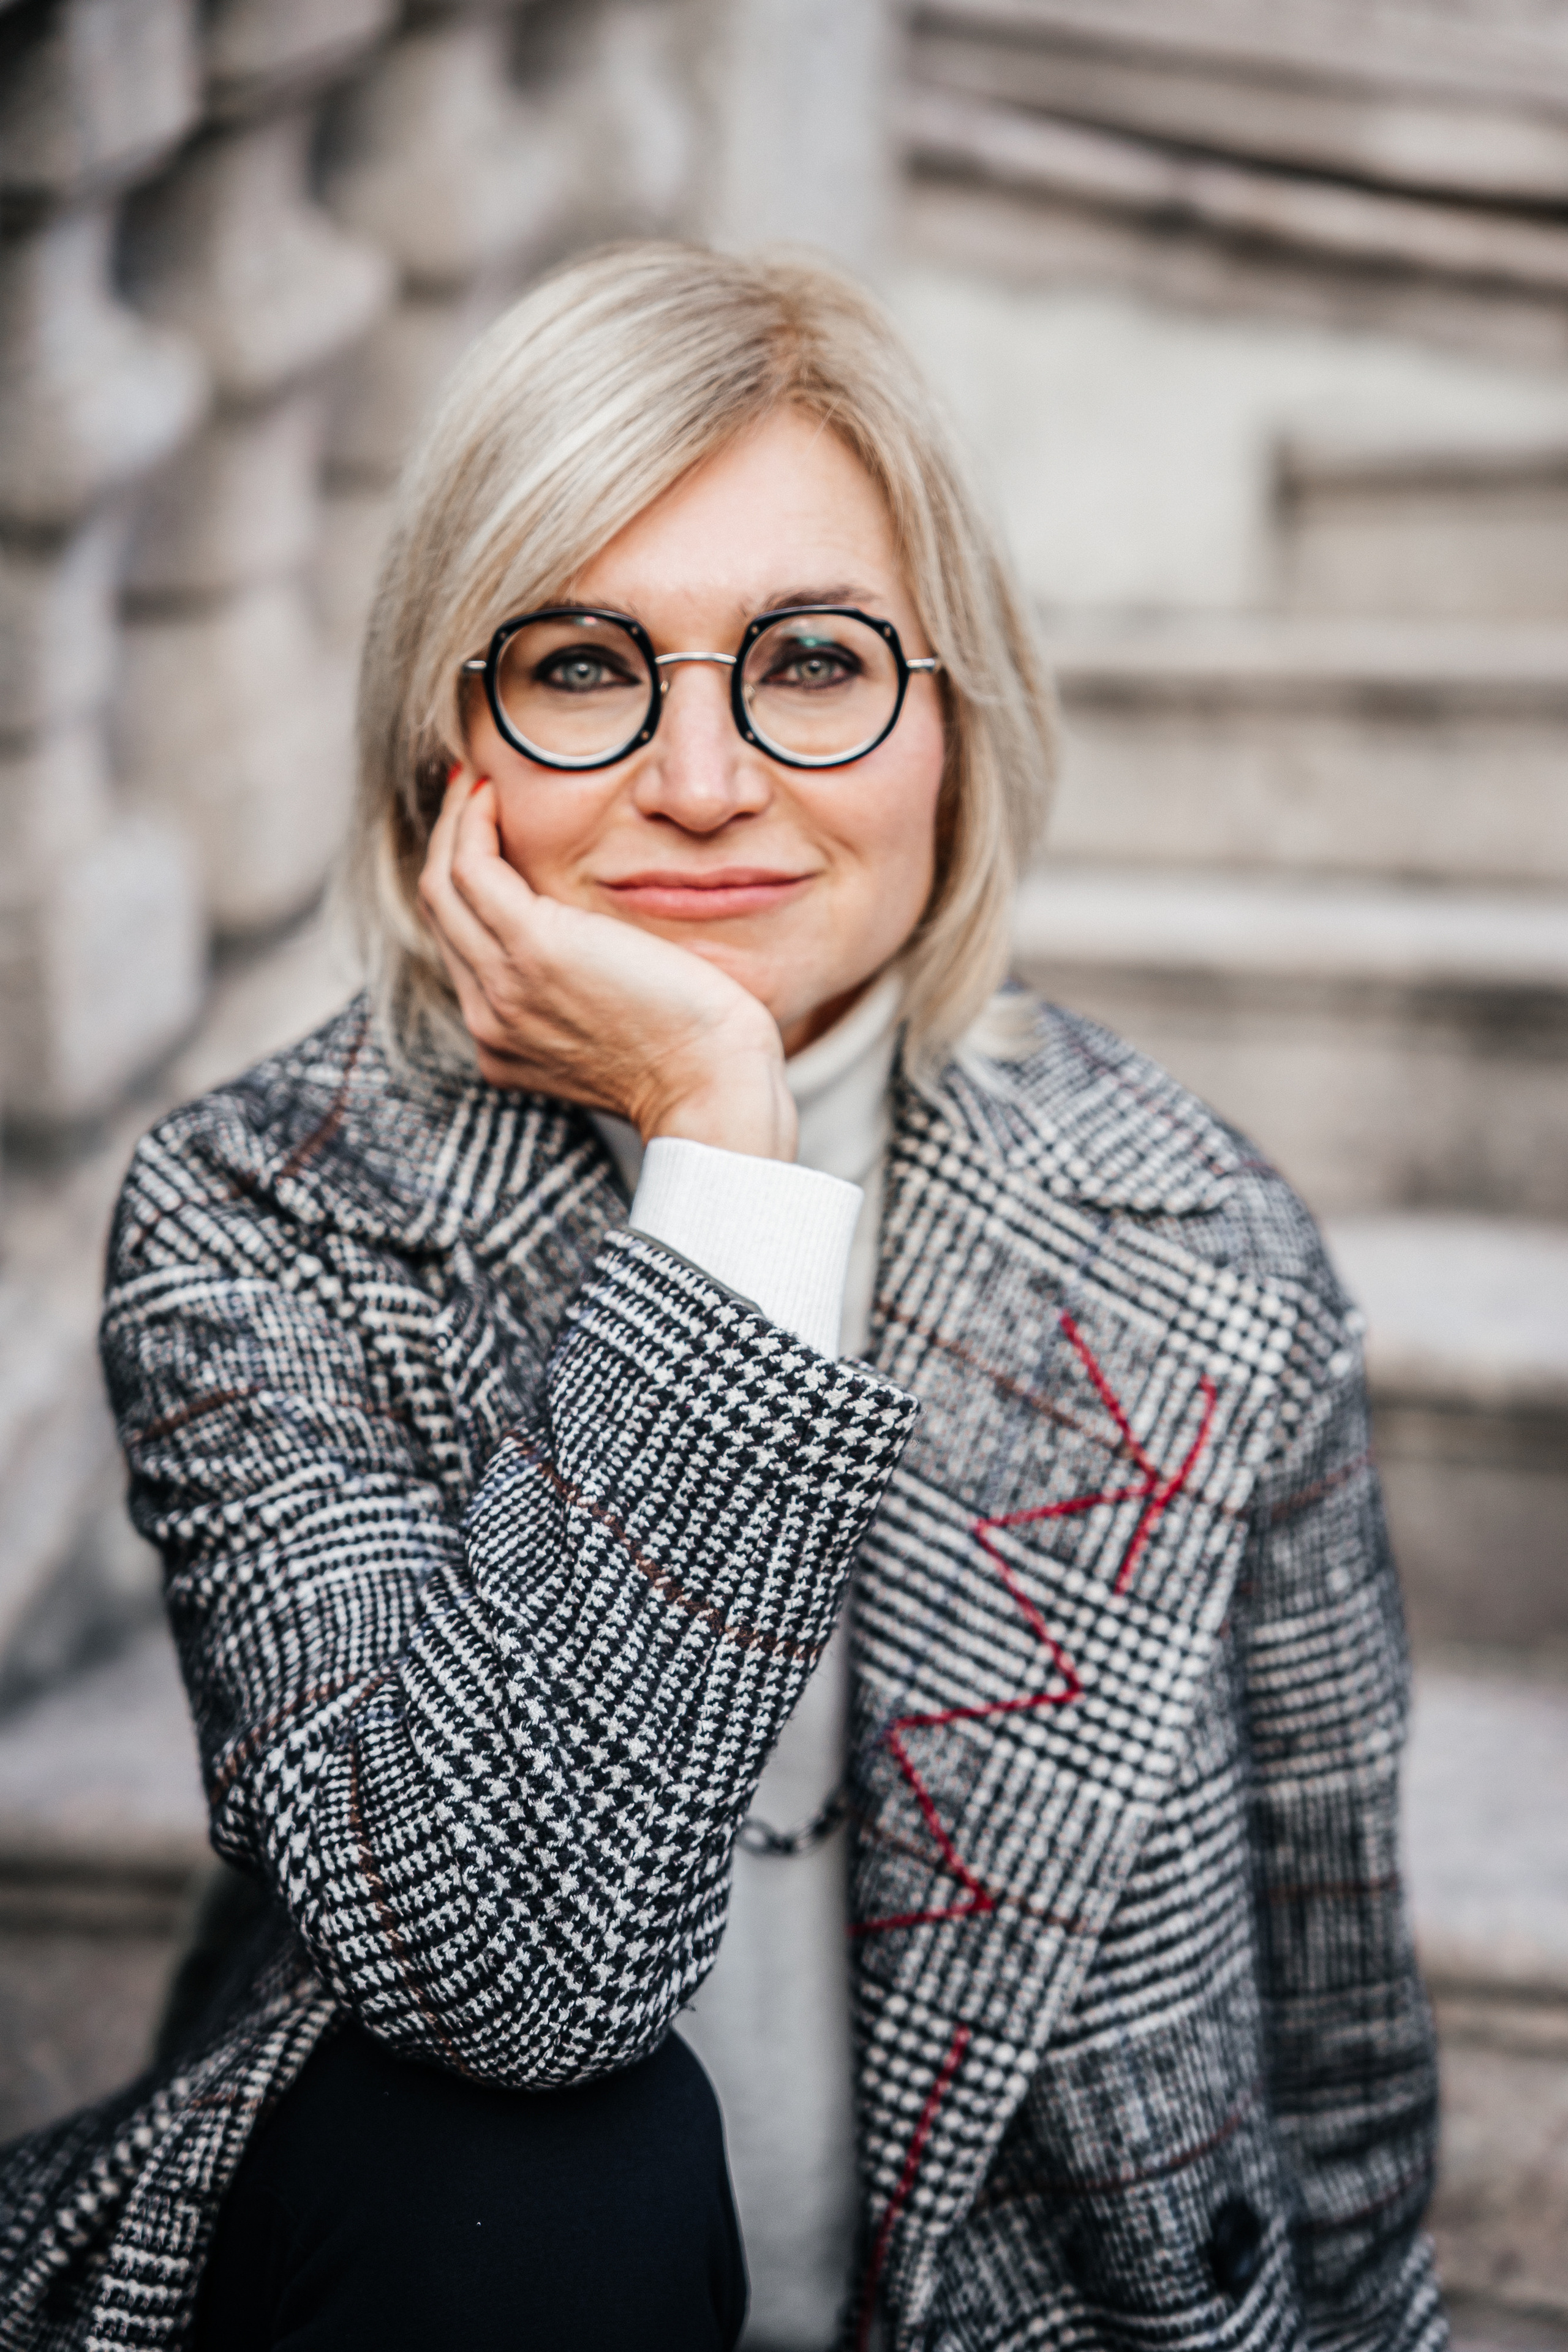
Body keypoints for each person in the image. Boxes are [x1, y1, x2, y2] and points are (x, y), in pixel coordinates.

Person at [0, 244, 1445, 2352]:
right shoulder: (268, 1218)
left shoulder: (1197, 1242)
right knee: (529, 2165)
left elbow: (1340, 2043)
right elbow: (511, 1974)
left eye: (815, 660)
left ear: (954, 711)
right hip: (446, 2289)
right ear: (443, 745)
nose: (702, 778)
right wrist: (719, 1150)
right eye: (582, 667)